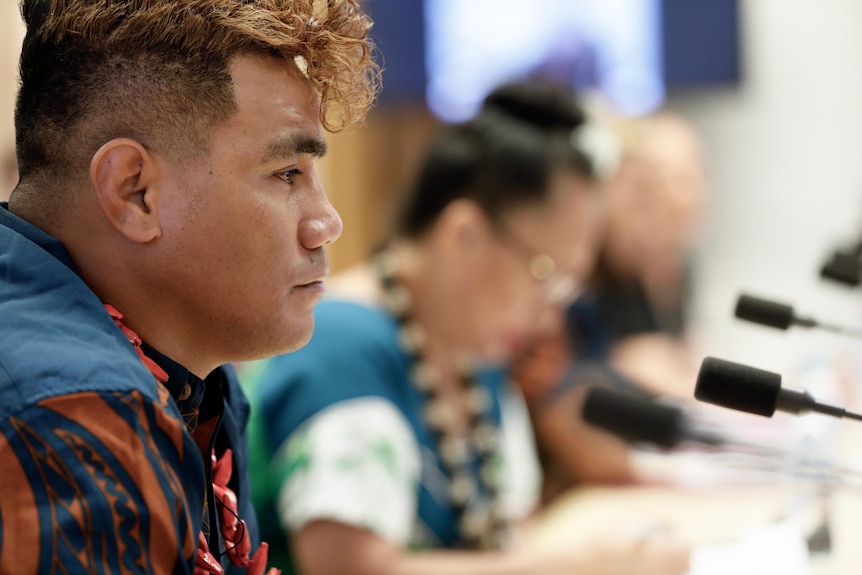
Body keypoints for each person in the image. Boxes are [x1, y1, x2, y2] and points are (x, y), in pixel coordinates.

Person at [248, 81, 691, 574]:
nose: (550, 313)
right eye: (545, 274)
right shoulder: (337, 345)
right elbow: (351, 570)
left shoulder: (470, 348)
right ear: (465, 235)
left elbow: (509, 535)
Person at [0, 1, 379, 573]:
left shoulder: (195, 370)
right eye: (287, 173)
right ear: (136, 192)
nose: (327, 222)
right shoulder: (77, 410)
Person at [512, 110, 709, 496]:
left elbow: (691, 364)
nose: (669, 201)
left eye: (691, 175)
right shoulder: (578, 283)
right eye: (641, 193)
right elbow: (562, 405)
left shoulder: (667, 270)